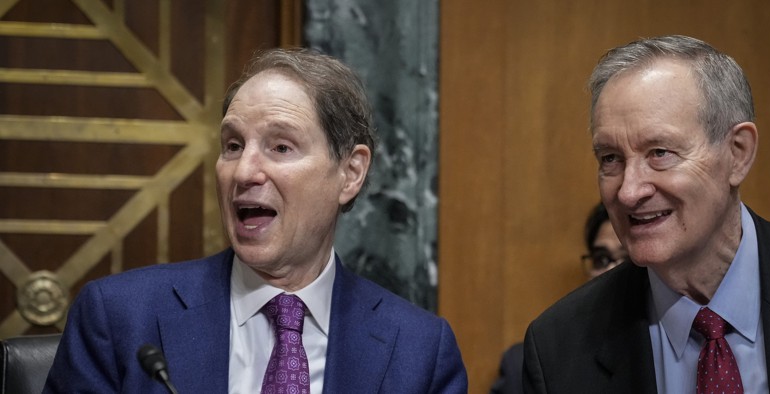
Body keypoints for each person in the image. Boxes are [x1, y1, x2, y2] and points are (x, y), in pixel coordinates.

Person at [43, 48, 467, 393]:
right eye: (232, 145)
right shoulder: (119, 318)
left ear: (350, 173)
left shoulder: (419, 351)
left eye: (281, 147)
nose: (244, 171)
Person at [523, 35, 770, 394]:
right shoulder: (559, 348)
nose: (629, 191)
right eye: (610, 159)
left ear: (738, 153)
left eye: (660, 152)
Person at [491, 203, 626, 394]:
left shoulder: (669, 352)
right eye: (601, 259)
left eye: (627, 260)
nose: (612, 272)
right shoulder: (528, 365)